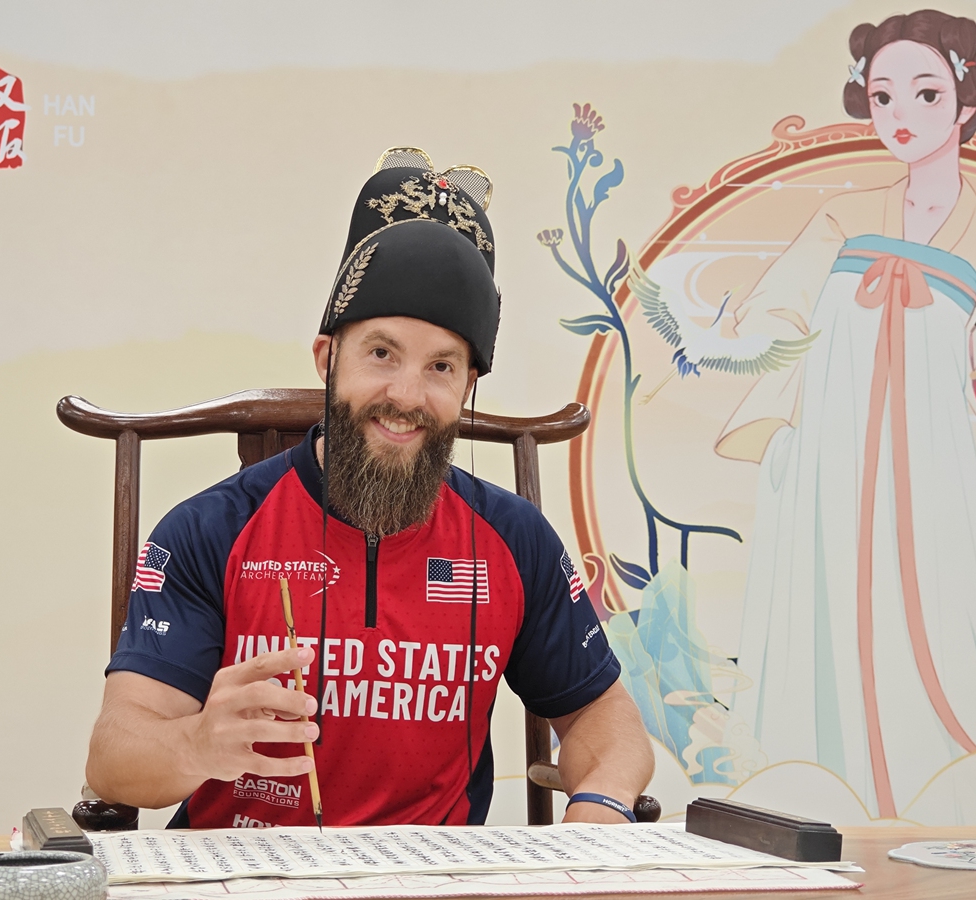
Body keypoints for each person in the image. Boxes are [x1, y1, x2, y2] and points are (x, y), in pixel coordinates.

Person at [85, 150, 654, 828]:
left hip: (432, 878)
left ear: (468, 385)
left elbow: (603, 716)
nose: (407, 396)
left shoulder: (515, 539)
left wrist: (598, 806)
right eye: (381, 354)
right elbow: (113, 757)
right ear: (329, 358)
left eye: (441, 366)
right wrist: (195, 741)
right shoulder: (212, 530)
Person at [717, 10, 976, 821]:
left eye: (926, 92)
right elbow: (773, 312)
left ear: (965, 103)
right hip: (828, 448)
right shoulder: (844, 215)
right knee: (829, 602)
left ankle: (952, 789)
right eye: (883, 94)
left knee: (935, 600)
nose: (901, 114)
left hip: (933, 459)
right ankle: (831, 789)